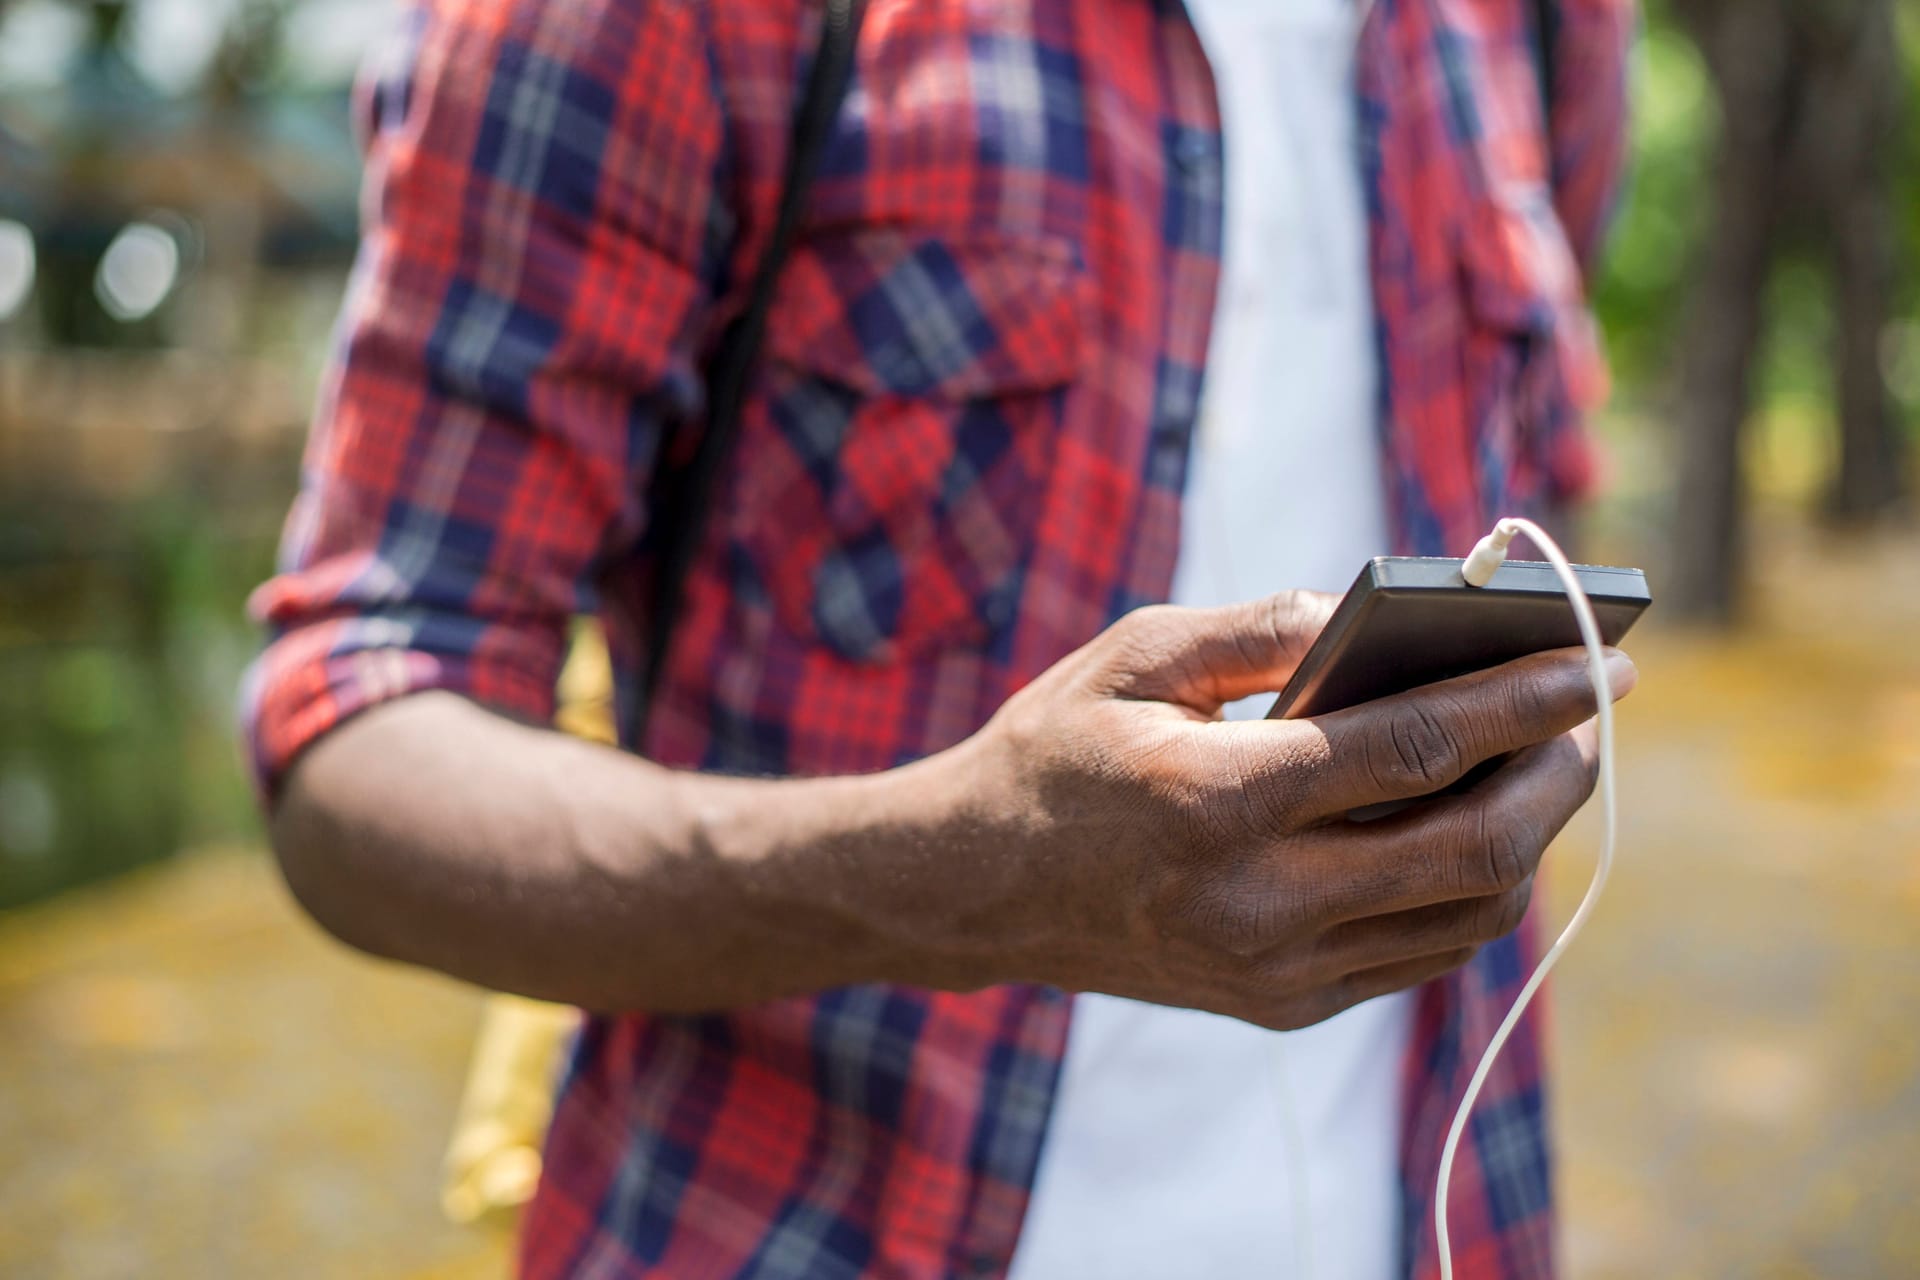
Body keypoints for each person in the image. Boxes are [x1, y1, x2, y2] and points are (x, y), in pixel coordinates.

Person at [243, 0, 1635, 1275]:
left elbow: (1533, 484)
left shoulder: (1537, 28)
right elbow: (357, 739)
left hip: (1436, 1218)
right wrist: (968, 878)